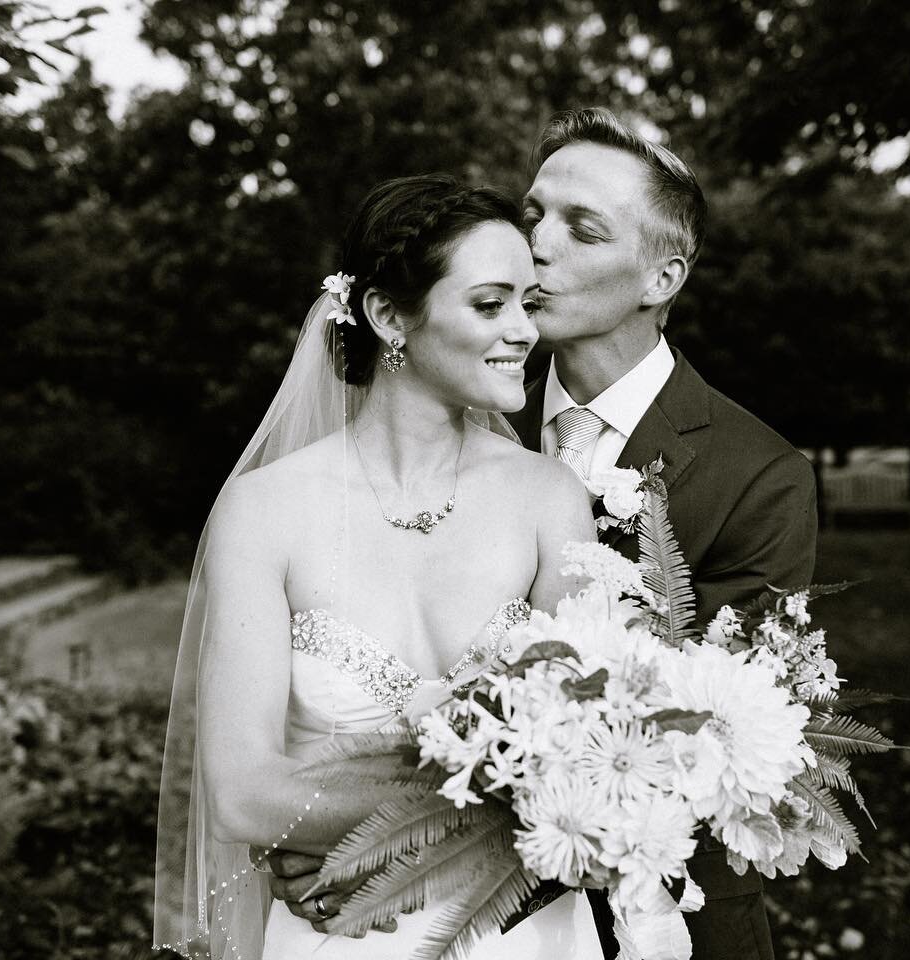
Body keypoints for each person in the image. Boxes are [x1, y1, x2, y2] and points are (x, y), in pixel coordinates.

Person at [152, 174, 604, 959]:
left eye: (529, 303)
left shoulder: (549, 497)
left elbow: (591, 759)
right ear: (389, 316)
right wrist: (498, 798)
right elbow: (239, 794)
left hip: (524, 931)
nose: (524, 330)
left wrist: (376, 830)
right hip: (345, 936)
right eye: (491, 304)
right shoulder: (262, 513)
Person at [508, 107, 818, 959]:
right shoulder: (461, 424)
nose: (535, 242)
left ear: (660, 278)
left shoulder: (761, 475)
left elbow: (722, 744)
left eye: (582, 228)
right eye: (532, 213)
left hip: (667, 916)